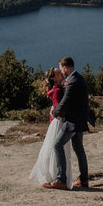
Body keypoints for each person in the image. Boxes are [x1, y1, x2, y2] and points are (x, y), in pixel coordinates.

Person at [43, 56, 90, 190]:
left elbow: (64, 103)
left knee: (57, 145)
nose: (62, 74)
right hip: (80, 119)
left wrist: (54, 112)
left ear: (65, 68)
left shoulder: (72, 82)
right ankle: (83, 179)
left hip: (73, 121)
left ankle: (61, 179)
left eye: (61, 70)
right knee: (79, 149)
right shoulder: (78, 78)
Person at [29, 68, 74, 188]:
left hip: (57, 122)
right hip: (60, 122)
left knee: (54, 147)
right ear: (54, 78)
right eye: (58, 72)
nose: (61, 72)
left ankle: (55, 176)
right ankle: (57, 176)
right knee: (59, 147)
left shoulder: (58, 89)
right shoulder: (58, 91)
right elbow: (60, 108)